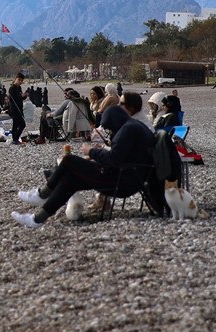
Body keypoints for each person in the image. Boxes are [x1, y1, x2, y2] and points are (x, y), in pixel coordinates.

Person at [12, 92, 156, 228]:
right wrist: (100, 151)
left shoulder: (129, 129)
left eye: (109, 128)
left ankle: (43, 194)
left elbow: (114, 159)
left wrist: (91, 151)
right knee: (70, 179)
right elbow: (123, 155)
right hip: (129, 178)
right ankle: (37, 219)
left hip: (122, 182)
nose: (110, 131)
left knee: (69, 160)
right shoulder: (135, 126)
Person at [8, 72, 27, 144]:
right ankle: (14, 139)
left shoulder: (19, 87)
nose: (20, 82)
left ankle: (16, 138)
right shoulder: (11, 88)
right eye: (19, 80)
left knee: (22, 124)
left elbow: (20, 98)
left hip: (20, 108)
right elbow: (13, 99)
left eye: (21, 80)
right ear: (16, 79)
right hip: (14, 109)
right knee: (16, 124)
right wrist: (21, 96)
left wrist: (24, 96)